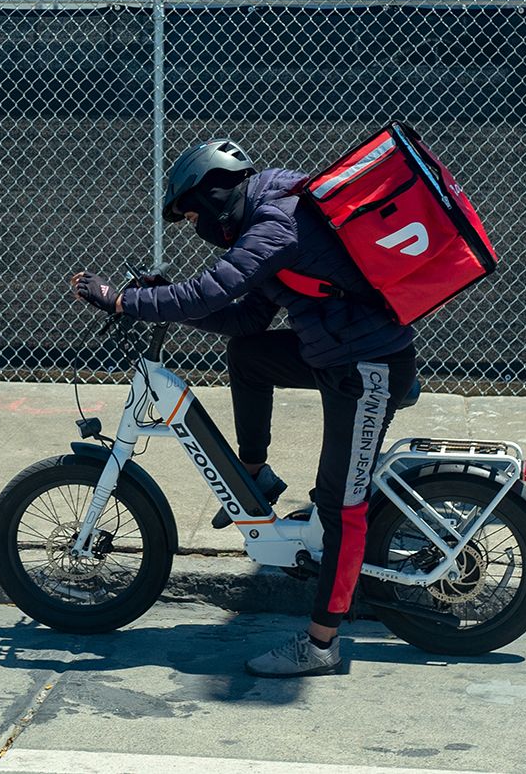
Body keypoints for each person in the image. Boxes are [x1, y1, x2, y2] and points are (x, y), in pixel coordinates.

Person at [66, 138, 418, 678]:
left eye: (190, 213)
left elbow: (210, 292)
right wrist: (167, 304)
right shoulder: (268, 212)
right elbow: (244, 319)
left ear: (211, 193)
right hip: (337, 351)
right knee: (251, 356)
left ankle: (322, 645)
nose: (195, 225)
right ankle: (256, 475)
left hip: (367, 369)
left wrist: (122, 299)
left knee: (339, 504)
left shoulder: (276, 221)